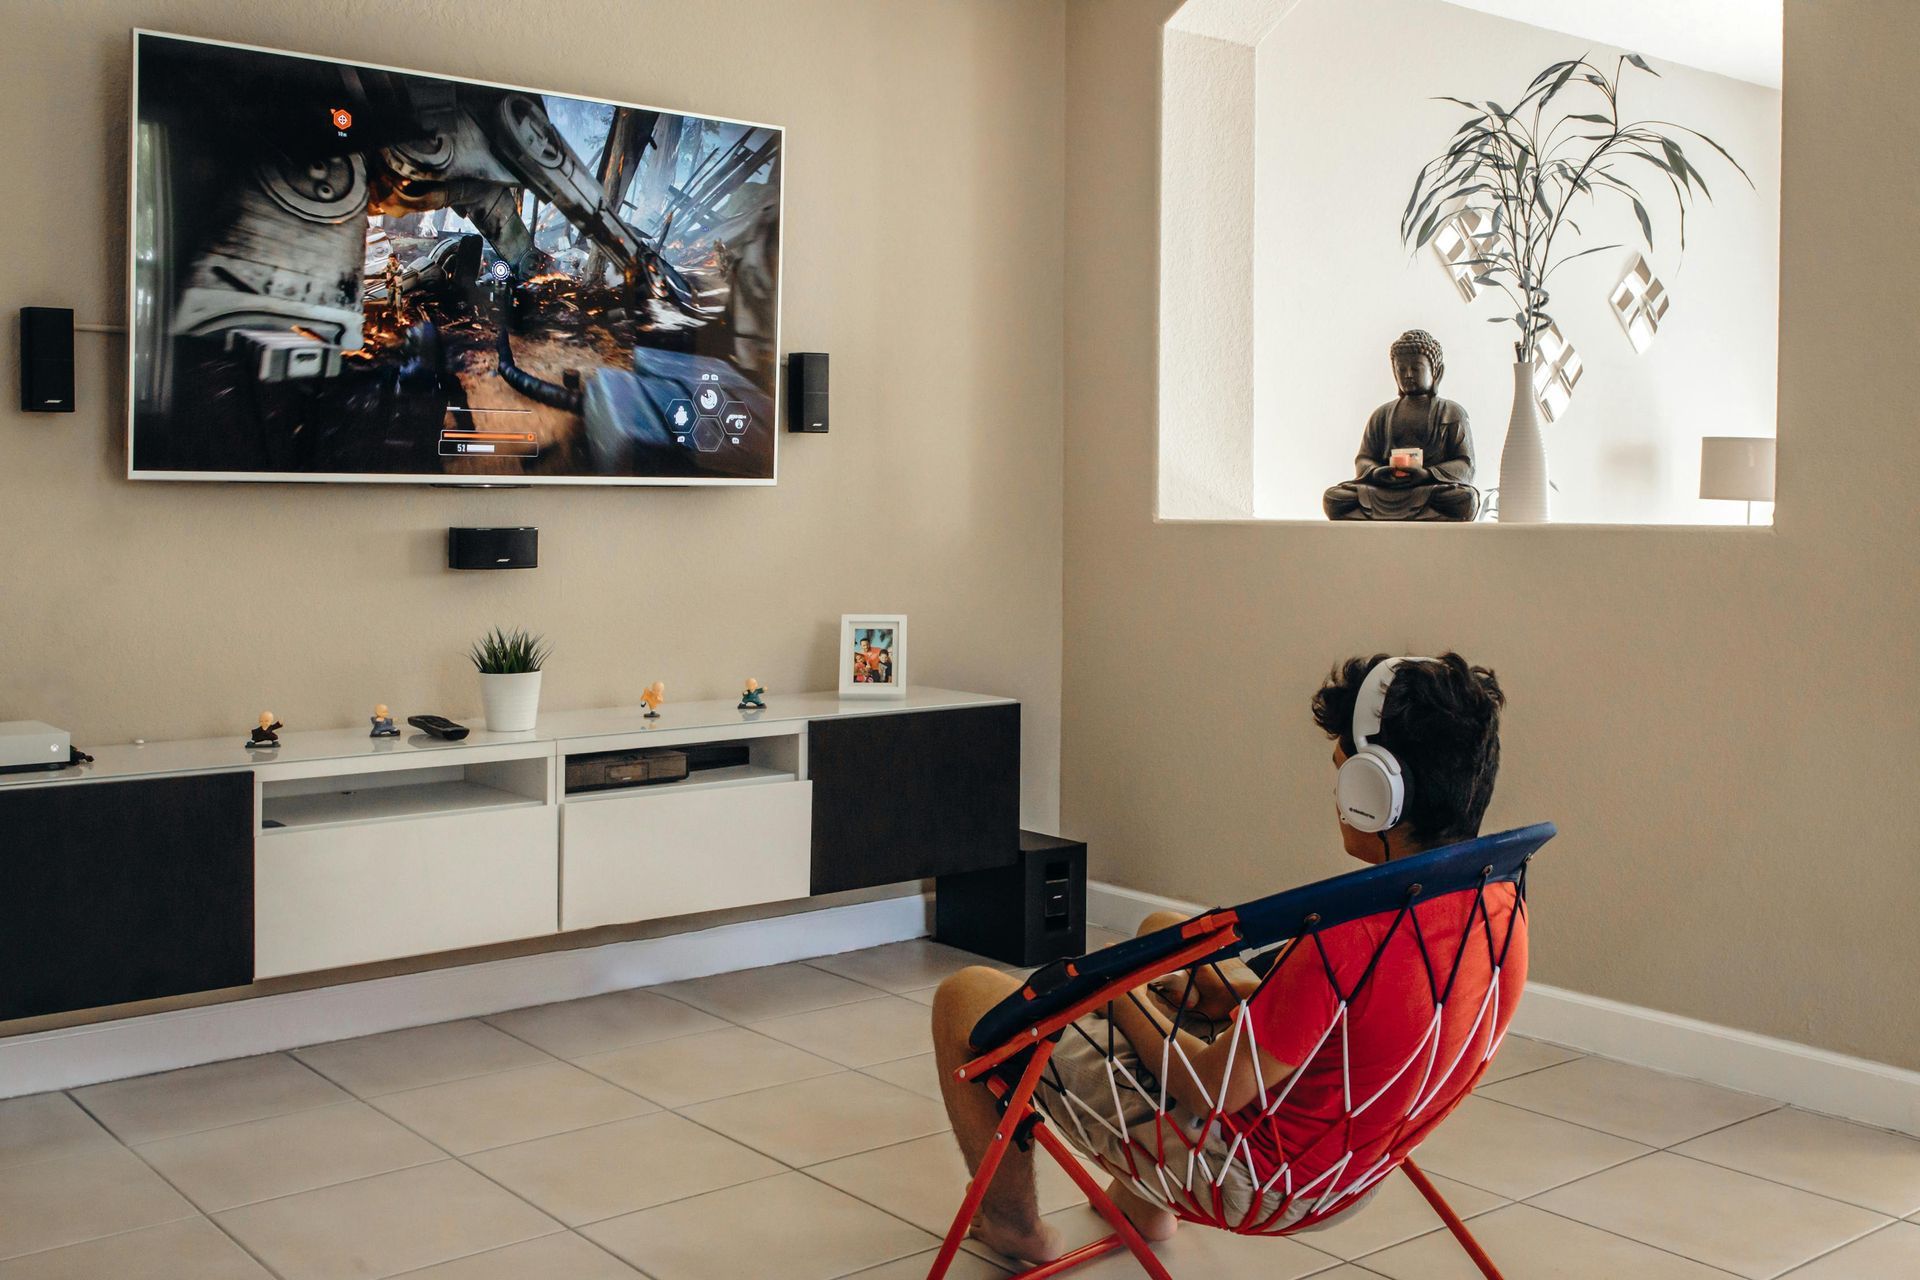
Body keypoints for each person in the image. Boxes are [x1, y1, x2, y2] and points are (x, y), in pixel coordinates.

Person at [930, 653, 1512, 1263]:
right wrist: (1229, 998)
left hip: (1250, 1178)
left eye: (1343, 775)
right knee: (1165, 929)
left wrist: (1115, 984)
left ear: (1378, 794)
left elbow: (1207, 1092)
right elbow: (1363, 1023)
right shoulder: (1496, 904)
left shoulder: (1349, 938)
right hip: (1355, 1165)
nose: (1336, 792)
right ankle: (1138, 1209)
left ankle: (1013, 1227)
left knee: (965, 997)